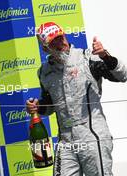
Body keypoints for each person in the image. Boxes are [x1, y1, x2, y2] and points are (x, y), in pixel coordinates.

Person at [26, 22, 127, 176]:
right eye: (54, 42)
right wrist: (37, 107)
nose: (61, 44)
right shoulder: (44, 72)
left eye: (61, 38)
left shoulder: (88, 57)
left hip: (92, 135)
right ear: (45, 48)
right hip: (65, 140)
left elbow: (122, 76)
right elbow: (50, 106)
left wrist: (105, 56)